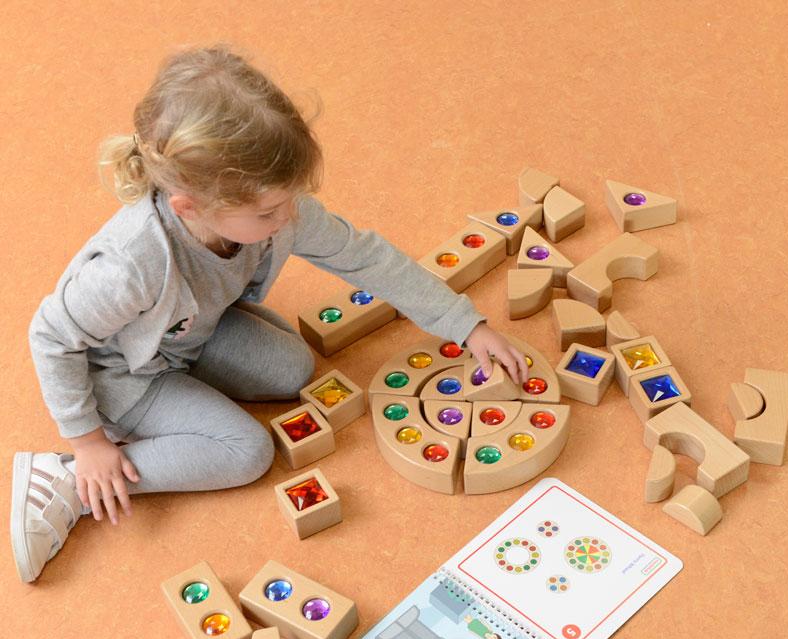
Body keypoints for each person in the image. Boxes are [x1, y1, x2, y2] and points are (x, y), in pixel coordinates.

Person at [10, 45, 528, 584]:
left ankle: (168, 411)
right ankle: (65, 481)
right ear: (190, 205)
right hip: (125, 374)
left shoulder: (278, 210)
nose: (288, 220)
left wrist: (465, 324)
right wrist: (86, 441)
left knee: (292, 371)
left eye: (291, 201)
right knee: (246, 451)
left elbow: (368, 258)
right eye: (268, 213)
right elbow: (51, 337)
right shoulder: (130, 265)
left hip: (191, 336)